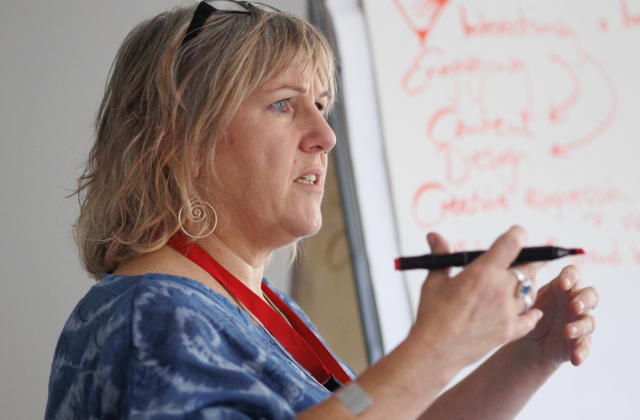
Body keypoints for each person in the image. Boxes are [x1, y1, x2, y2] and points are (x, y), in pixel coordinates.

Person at [45, 1, 599, 419]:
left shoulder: (268, 311)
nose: (326, 135)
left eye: (321, 105)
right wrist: (434, 351)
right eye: (283, 105)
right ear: (180, 141)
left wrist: (526, 359)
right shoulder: (151, 315)